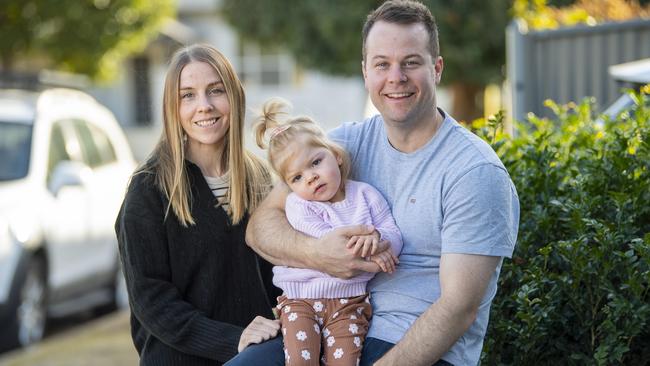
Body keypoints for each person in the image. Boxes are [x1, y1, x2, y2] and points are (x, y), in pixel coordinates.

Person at [227, 0, 520, 365]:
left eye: (411, 62)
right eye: (382, 64)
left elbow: (459, 310)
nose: (395, 77)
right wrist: (319, 254)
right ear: (366, 72)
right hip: (324, 322)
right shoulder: (341, 148)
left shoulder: (474, 173)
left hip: (412, 348)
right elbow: (262, 227)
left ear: (437, 68)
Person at [114, 43, 282, 365]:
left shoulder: (258, 177)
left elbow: (279, 274)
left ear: (234, 97)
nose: (203, 106)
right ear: (172, 108)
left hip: (256, 359)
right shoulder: (149, 188)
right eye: (187, 95)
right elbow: (152, 301)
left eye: (215, 91)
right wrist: (234, 339)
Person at [251, 98, 403, 365]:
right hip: (301, 301)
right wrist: (372, 251)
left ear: (336, 154)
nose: (310, 177)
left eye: (315, 162)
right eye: (296, 178)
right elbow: (334, 244)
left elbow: (390, 230)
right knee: (300, 361)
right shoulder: (299, 206)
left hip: (350, 303)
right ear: (289, 186)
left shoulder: (365, 194)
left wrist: (381, 241)